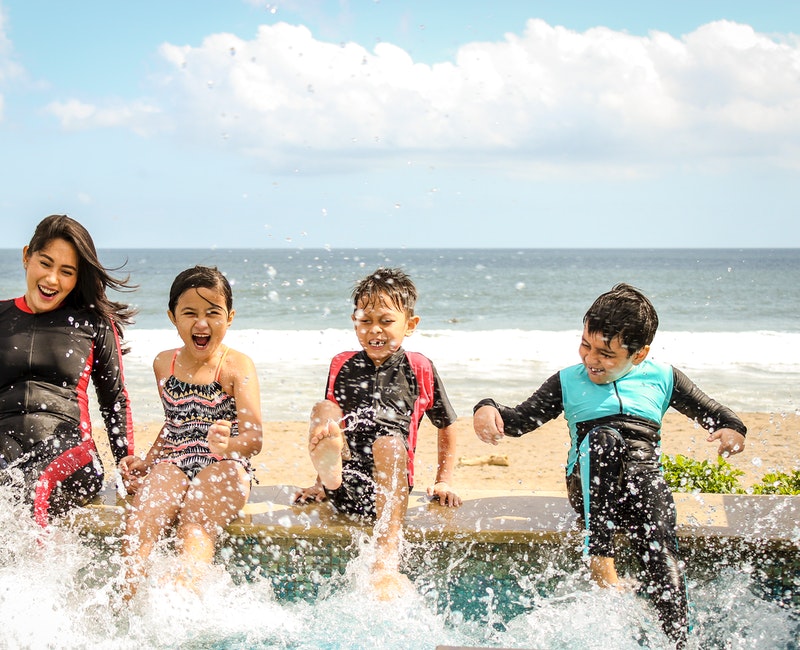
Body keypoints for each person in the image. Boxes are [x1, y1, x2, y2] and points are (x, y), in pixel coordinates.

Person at [472, 283, 746, 648]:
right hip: (589, 484)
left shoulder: (663, 377)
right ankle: (601, 560)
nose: (591, 359)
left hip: (642, 484)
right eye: (586, 345)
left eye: (606, 353)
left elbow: (716, 413)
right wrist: (487, 406)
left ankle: (679, 639)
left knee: (660, 545)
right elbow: (520, 420)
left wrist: (732, 431)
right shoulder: (568, 380)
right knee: (604, 440)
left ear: (640, 353)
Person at [294, 267, 461, 599]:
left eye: (386, 321)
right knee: (323, 411)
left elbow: (447, 425)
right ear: (354, 321)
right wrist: (318, 484)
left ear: (410, 325)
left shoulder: (419, 367)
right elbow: (331, 429)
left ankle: (386, 558)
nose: (375, 330)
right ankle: (327, 478)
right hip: (346, 485)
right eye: (365, 320)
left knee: (387, 442)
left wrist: (444, 479)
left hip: (391, 491)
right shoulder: (341, 363)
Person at [119, 265, 263, 599]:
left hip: (226, 465)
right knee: (142, 520)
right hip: (175, 460)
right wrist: (148, 460)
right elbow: (174, 424)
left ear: (229, 317)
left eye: (213, 313)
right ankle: (126, 603)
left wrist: (229, 445)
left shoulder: (236, 366)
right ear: (172, 317)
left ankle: (184, 601)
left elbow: (255, 440)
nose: (201, 323)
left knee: (194, 524)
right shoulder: (163, 364)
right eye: (189, 313)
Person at [0, 214, 136, 527]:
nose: (52, 280)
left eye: (66, 272)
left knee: (35, 488)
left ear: (77, 278)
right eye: (45, 264)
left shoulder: (94, 324)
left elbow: (114, 398)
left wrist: (125, 462)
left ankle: (35, 577)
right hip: (6, 446)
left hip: (72, 451)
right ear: (26, 257)